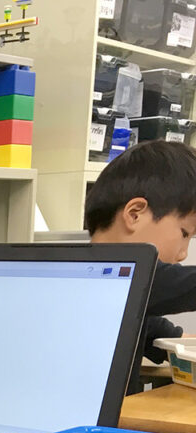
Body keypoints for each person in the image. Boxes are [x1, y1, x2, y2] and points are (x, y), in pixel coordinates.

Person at [86, 140, 196, 393]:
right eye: (184, 233)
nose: (183, 254)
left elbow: (172, 341)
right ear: (135, 214)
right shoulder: (112, 278)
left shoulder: (131, 304)